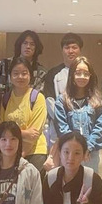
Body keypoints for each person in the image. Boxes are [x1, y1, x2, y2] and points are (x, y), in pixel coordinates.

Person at [0, 57, 48, 172]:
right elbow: (2, 128)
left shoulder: (37, 98)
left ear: (30, 75)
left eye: (24, 73)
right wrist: (24, 133)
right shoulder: (5, 98)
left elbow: (34, 135)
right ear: (10, 77)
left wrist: (19, 158)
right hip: (10, 151)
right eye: (15, 73)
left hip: (34, 152)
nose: (20, 77)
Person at [50, 57, 102, 171]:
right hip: (68, 153)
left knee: (89, 181)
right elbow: (62, 128)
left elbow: (100, 127)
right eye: (78, 73)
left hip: (90, 155)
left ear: (90, 76)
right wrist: (76, 149)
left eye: (86, 74)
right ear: (72, 75)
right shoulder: (62, 101)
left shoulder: (97, 101)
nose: (82, 77)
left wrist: (87, 148)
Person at [43, 33, 84, 161]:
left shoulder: (86, 72)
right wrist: (64, 122)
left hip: (82, 129)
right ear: (62, 50)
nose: (71, 51)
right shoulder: (53, 73)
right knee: (57, 165)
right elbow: (49, 101)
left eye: (74, 47)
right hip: (58, 130)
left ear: (80, 50)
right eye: (67, 47)